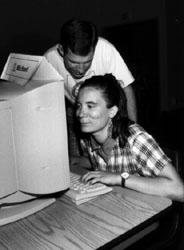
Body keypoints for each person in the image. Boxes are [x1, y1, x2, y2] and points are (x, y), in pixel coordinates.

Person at [74, 74, 184, 202]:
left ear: (112, 111)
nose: (80, 114)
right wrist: (76, 161)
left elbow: (179, 190)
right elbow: (105, 162)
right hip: (116, 202)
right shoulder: (87, 137)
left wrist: (119, 178)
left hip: (144, 210)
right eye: (78, 106)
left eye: (90, 106)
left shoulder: (136, 140)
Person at [44, 18, 137, 156]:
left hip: (109, 114)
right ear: (61, 50)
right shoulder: (48, 60)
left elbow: (126, 89)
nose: (81, 70)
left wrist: (133, 130)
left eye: (87, 62)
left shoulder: (106, 50)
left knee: (118, 155)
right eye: (74, 62)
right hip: (77, 113)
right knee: (79, 159)